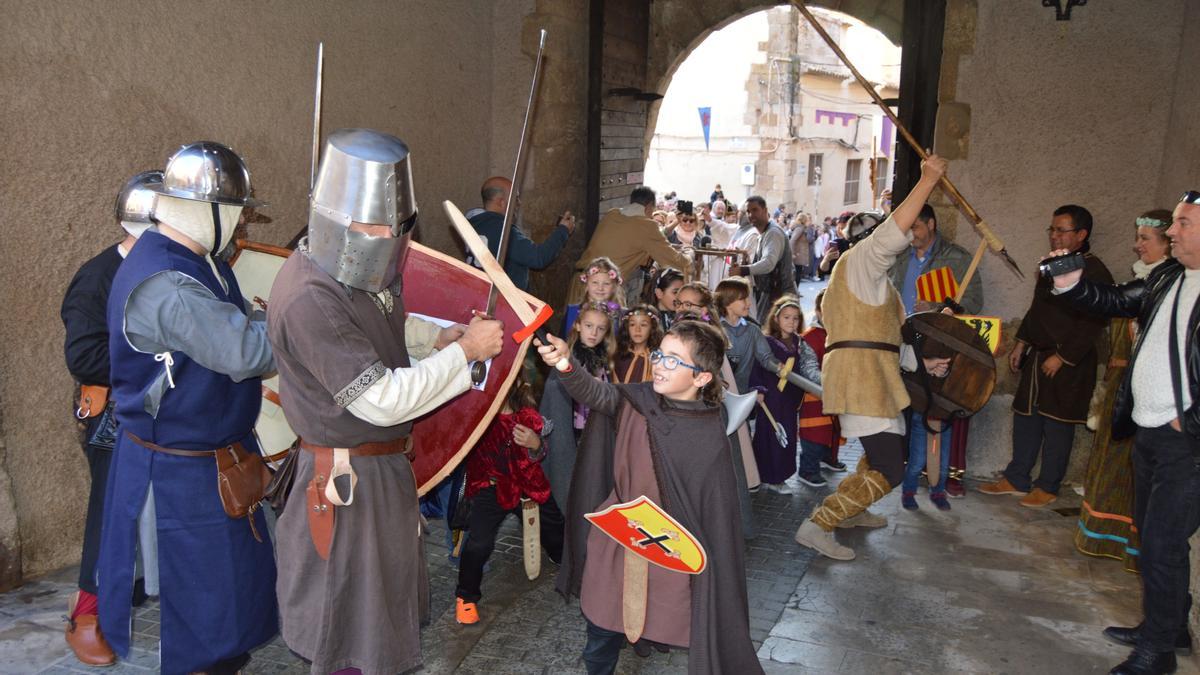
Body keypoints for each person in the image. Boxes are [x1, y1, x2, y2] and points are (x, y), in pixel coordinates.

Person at [267, 129, 505, 673]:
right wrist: (465, 351)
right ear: (333, 219)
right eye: (371, 226)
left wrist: (439, 338)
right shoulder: (310, 295)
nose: (384, 236)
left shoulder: (359, 269)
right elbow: (379, 399)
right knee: (347, 627)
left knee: (381, 622)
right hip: (344, 479)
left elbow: (385, 331)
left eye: (395, 226)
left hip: (380, 473)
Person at [99, 142, 277, 673]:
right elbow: (248, 350)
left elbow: (241, 327)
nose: (243, 222)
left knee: (231, 610)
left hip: (213, 459)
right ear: (211, 212)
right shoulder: (170, 283)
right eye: (238, 212)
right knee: (204, 621)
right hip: (183, 474)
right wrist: (307, 325)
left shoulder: (200, 261)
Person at [541, 321, 763, 674]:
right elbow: (596, 393)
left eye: (675, 360)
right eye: (661, 355)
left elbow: (714, 509)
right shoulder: (637, 401)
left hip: (669, 554)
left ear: (702, 378)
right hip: (617, 538)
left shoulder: (709, 433)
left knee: (665, 616)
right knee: (601, 629)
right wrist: (567, 364)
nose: (659, 364)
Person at [1048, 192, 1200, 675]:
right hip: (1151, 428)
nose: (1172, 232)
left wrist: (1191, 421)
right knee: (1155, 538)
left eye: (1184, 223)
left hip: (1187, 441)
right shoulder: (1172, 275)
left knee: (1161, 542)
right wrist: (1070, 283)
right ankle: (1169, 625)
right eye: (1174, 223)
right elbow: (1115, 300)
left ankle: (1156, 655)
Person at [792, 155, 952, 561]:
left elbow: (886, 341)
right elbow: (894, 233)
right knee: (892, 467)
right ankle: (818, 525)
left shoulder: (875, 284)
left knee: (882, 454)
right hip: (862, 380)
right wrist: (928, 180)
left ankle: (852, 512)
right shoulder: (862, 260)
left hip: (877, 378)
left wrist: (924, 365)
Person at [59, 171, 160, 667]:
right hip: (114, 415)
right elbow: (84, 355)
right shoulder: (98, 275)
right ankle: (88, 612)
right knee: (110, 509)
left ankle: (139, 583)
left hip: (168, 410)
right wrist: (160, 358)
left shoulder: (167, 268)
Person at [979, 205, 1113, 507]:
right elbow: (1037, 309)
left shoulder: (1095, 271)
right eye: (1051, 229)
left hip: (1069, 363)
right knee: (1027, 418)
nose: (1054, 236)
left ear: (1081, 234)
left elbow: (1095, 320)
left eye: (1061, 230)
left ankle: (1048, 485)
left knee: (1057, 423)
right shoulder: (1050, 266)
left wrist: (1063, 357)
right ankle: (1017, 478)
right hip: (1038, 357)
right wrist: (1021, 343)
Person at [1074, 209, 1172, 571]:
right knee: (1107, 463)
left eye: (1145, 239)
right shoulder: (1143, 280)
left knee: (1130, 472)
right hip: (1119, 385)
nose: (1136, 245)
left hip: (1142, 393)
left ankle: (1130, 547)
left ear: (1168, 244)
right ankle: (1101, 536)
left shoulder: (1168, 286)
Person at [887, 202, 984, 510]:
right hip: (903, 340)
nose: (909, 233)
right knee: (902, 413)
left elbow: (974, 299)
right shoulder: (899, 256)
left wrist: (944, 308)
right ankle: (901, 477)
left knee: (930, 416)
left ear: (930, 225)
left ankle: (936, 483)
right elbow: (887, 291)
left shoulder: (956, 258)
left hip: (938, 344)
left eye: (914, 226)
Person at [455, 373, 564, 624]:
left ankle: (562, 559)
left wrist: (535, 443)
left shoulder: (526, 415)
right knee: (479, 543)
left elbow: (540, 453)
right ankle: (466, 597)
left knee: (555, 526)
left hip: (527, 484)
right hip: (490, 488)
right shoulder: (476, 414)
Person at [540, 301, 617, 509]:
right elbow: (555, 393)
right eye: (589, 326)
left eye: (601, 328)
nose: (594, 333)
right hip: (571, 430)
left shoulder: (606, 361)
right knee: (570, 479)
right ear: (578, 326)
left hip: (595, 431)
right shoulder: (566, 358)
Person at [571, 186, 693, 306]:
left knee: (574, 325)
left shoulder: (611, 214)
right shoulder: (647, 227)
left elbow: (640, 236)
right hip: (602, 291)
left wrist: (673, 224)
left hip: (580, 284)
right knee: (604, 325)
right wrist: (689, 255)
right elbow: (673, 259)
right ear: (649, 206)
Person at [749, 296, 821, 494]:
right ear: (776, 318)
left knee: (786, 436)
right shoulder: (767, 342)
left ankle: (779, 475)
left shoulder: (800, 343)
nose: (791, 322)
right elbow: (757, 368)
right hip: (771, 398)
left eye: (795, 318)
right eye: (787, 317)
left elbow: (805, 369)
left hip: (790, 400)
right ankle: (769, 477)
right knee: (768, 437)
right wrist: (759, 390)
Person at [467, 176, 575, 291]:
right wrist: (563, 230)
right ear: (501, 202)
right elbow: (538, 258)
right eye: (516, 198)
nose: (519, 203)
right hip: (505, 302)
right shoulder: (503, 230)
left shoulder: (475, 224)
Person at [797, 289, 844, 487]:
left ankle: (828, 458)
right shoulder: (810, 337)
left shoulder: (840, 334)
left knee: (833, 430)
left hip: (835, 395)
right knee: (814, 434)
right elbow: (808, 370)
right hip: (813, 398)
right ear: (818, 312)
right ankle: (808, 470)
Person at [730, 196, 795, 324]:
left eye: (755, 210)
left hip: (780, 297)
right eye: (748, 211)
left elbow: (768, 263)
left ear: (765, 211)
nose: (751, 214)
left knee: (774, 339)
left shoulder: (773, 233)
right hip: (770, 296)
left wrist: (743, 270)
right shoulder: (764, 233)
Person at [563, 256, 624, 335]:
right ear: (587, 284)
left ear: (614, 287)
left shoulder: (620, 317)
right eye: (595, 282)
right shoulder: (572, 312)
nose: (600, 288)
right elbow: (562, 340)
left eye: (606, 284)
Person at [613, 305, 663, 384]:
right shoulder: (617, 356)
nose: (637, 330)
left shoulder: (658, 360)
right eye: (632, 325)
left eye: (643, 325)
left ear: (652, 328)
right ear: (627, 328)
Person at [646, 266, 684, 330]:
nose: (680, 297)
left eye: (682, 292)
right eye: (675, 292)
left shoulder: (681, 318)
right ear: (659, 293)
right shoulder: (647, 319)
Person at [790, 213, 813, 284]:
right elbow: (792, 240)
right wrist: (792, 253)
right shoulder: (800, 228)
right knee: (797, 274)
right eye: (807, 220)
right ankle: (795, 292)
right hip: (797, 255)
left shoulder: (802, 228)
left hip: (799, 254)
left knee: (798, 273)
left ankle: (796, 292)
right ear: (804, 220)